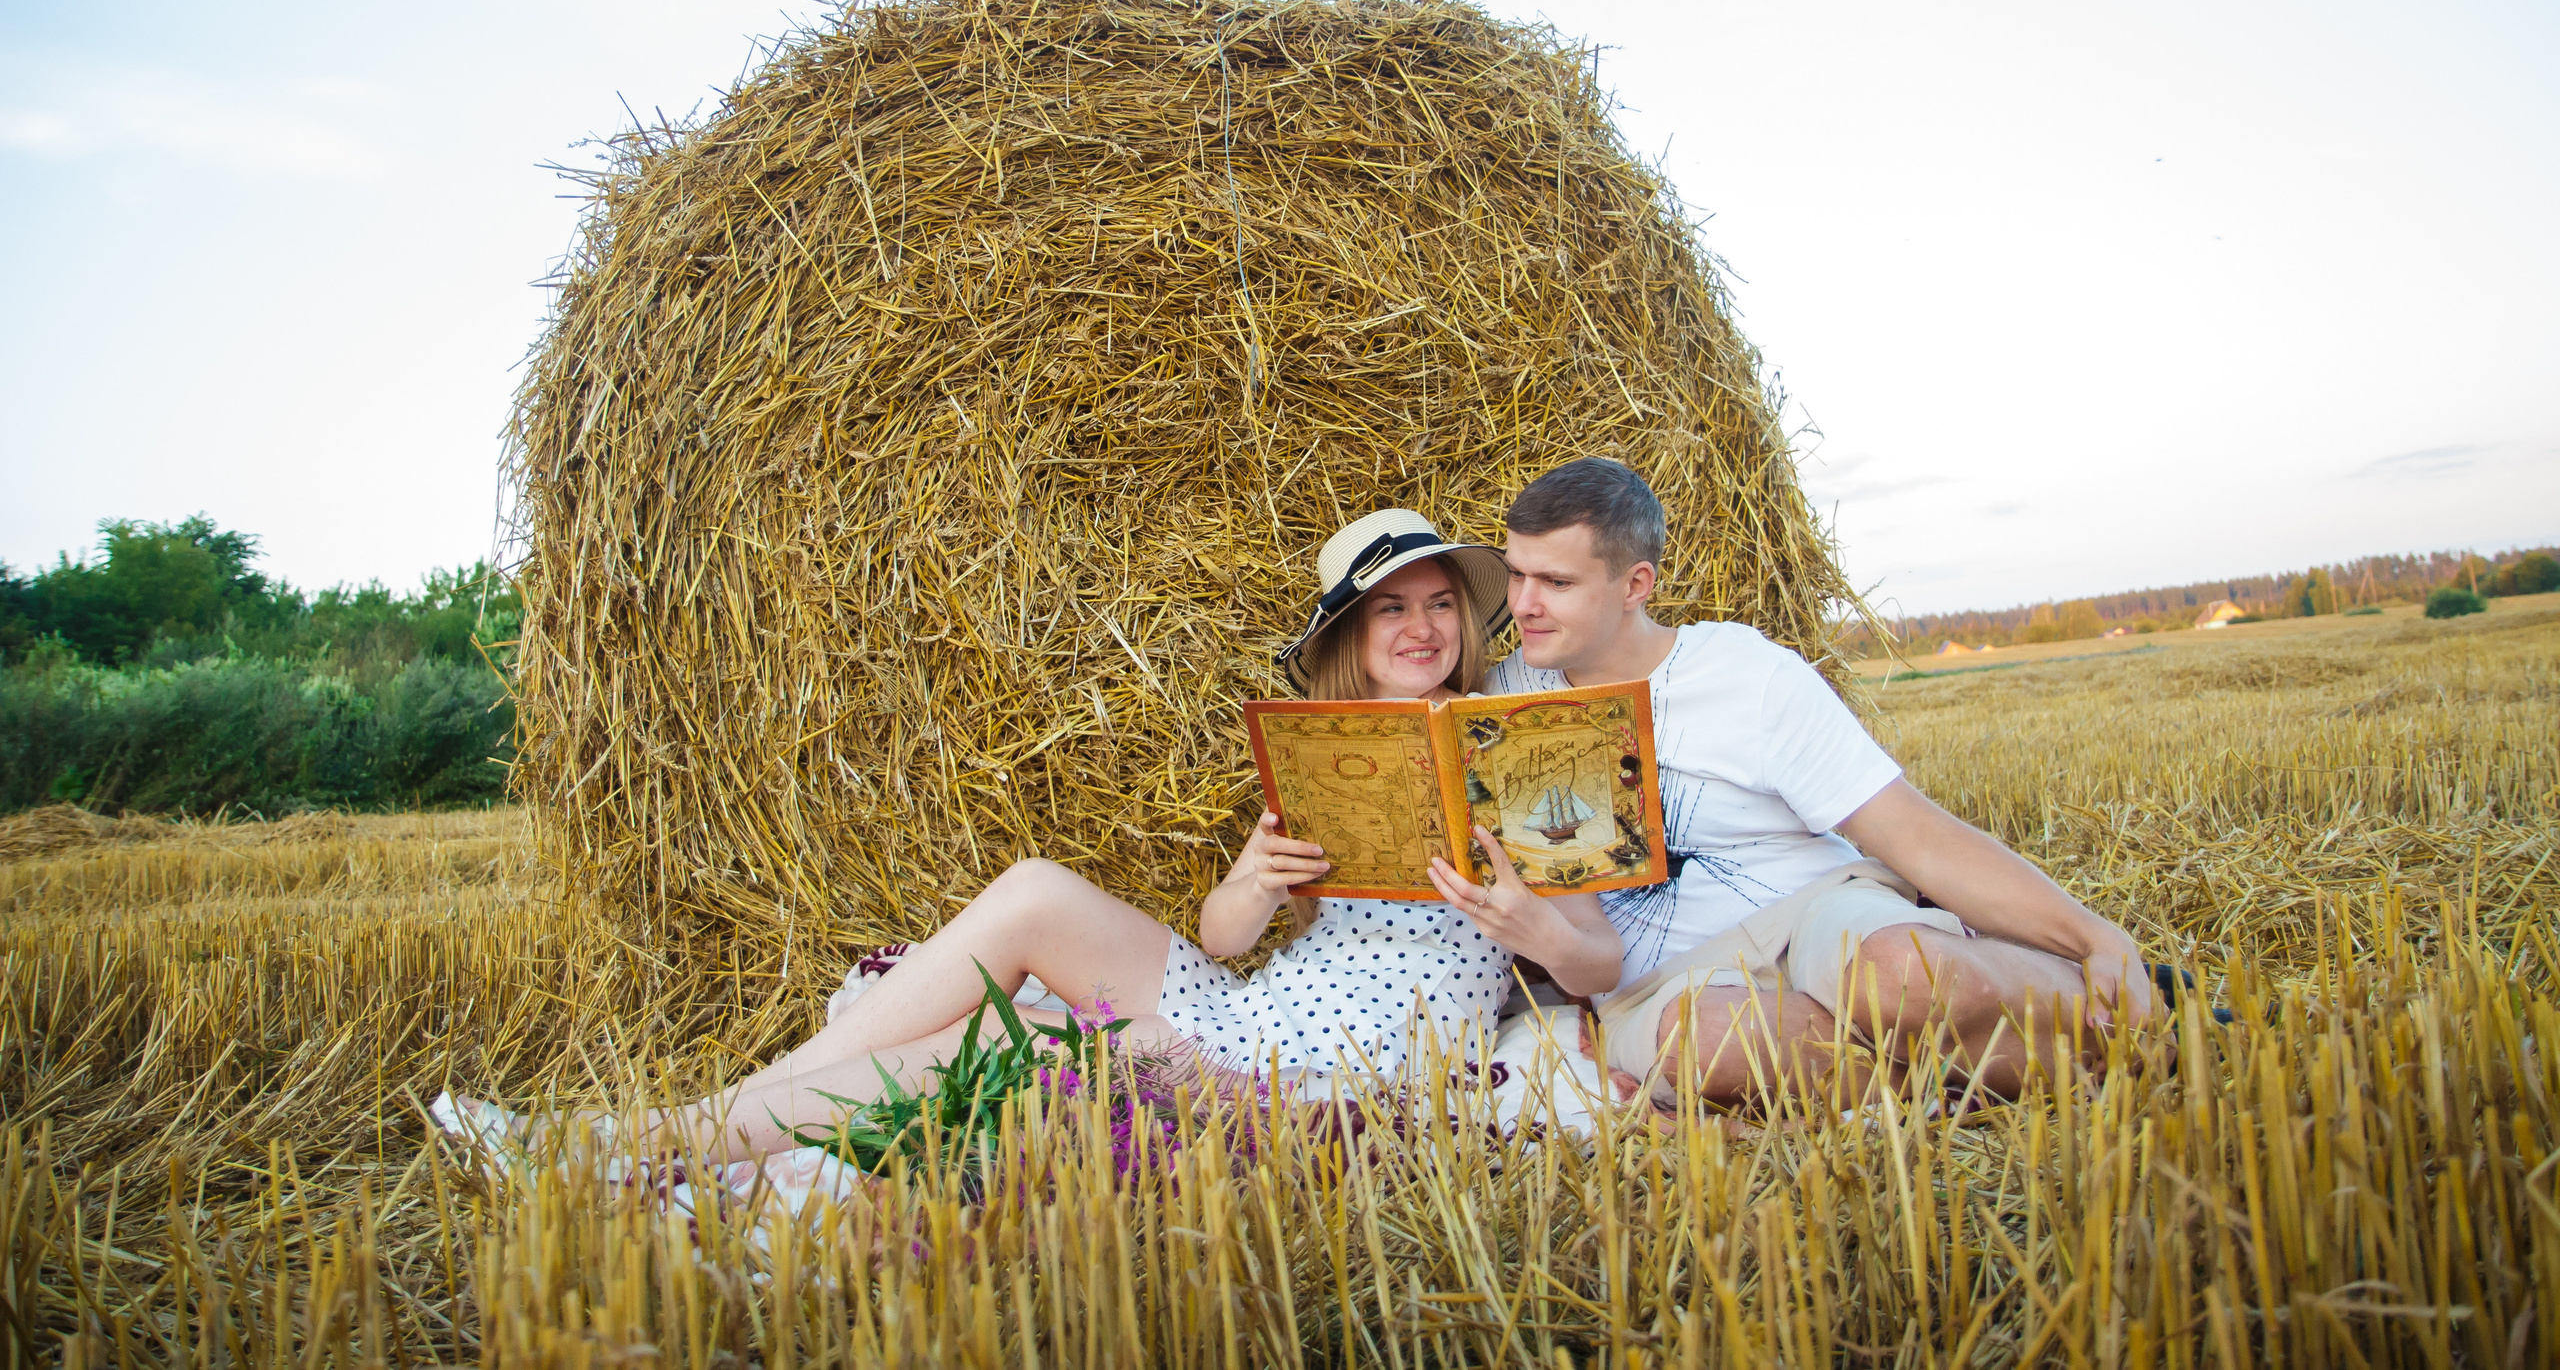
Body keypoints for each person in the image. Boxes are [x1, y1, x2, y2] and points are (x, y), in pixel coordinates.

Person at [440, 508, 1622, 1162]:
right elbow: (1222, 936)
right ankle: (696, 1122)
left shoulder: (1517, 743)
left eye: (1433, 603)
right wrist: (1255, 883)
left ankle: (639, 1145)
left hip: (1335, 1065)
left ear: (1463, 618)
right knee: (1033, 893)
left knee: (1013, 1039)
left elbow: (1598, 963)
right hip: (1257, 1001)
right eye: (1386, 610)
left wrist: (1526, 924)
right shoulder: (1328, 749)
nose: (1415, 627)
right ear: (1353, 639)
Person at [1487, 457, 2152, 1112]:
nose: (1522, 604)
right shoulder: (1505, 699)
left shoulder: (1748, 674)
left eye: (1556, 582)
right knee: (1712, 1044)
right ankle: (1983, 1069)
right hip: (1660, 989)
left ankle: (2129, 1018)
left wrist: (2095, 936)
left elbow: (1916, 838)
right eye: (1515, 574)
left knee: (1905, 970)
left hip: (1815, 912)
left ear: (1636, 585)